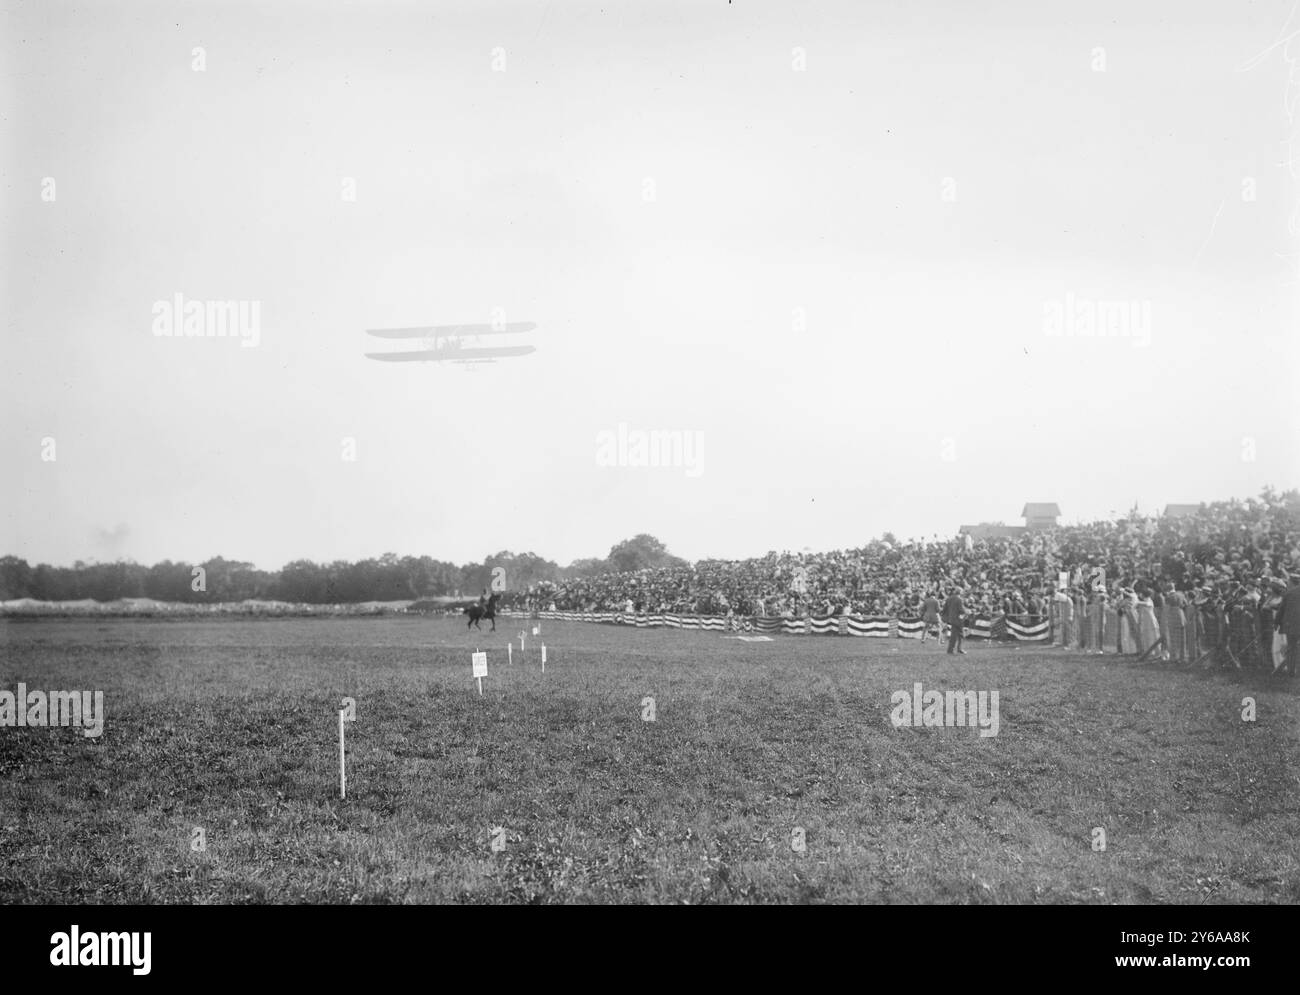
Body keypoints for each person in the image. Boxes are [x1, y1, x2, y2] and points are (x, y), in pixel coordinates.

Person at [1274, 575, 1300, 677]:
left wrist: (1276, 622)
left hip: (1291, 626)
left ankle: (1291, 671)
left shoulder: (1289, 593)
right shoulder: (1290, 593)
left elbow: (1281, 610)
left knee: (1292, 648)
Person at [942, 587, 967, 655]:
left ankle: (950, 650)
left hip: (951, 619)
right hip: (958, 620)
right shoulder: (959, 599)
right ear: (960, 592)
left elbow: (944, 609)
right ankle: (959, 649)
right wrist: (966, 612)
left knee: (954, 635)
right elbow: (961, 610)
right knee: (961, 635)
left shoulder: (949, 598)